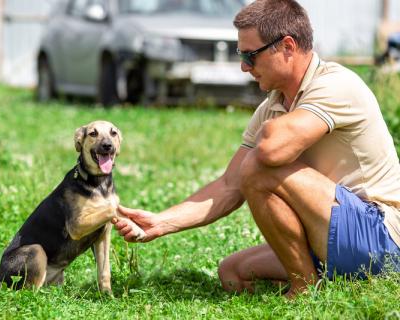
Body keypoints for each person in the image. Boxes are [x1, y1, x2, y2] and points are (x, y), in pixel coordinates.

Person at [112, 0, 400, 298]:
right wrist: (161, 222)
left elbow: (269, 153)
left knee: (257, 164)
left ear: (287, 46)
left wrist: (266, 134)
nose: (244, 66)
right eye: (241, 55)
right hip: (330, 235)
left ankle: (304, 289)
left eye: (251, 55)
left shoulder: (336, 84)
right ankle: (330, 281)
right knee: (233, 272)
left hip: (381, 237)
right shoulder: (272, 106)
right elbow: (228, 186)